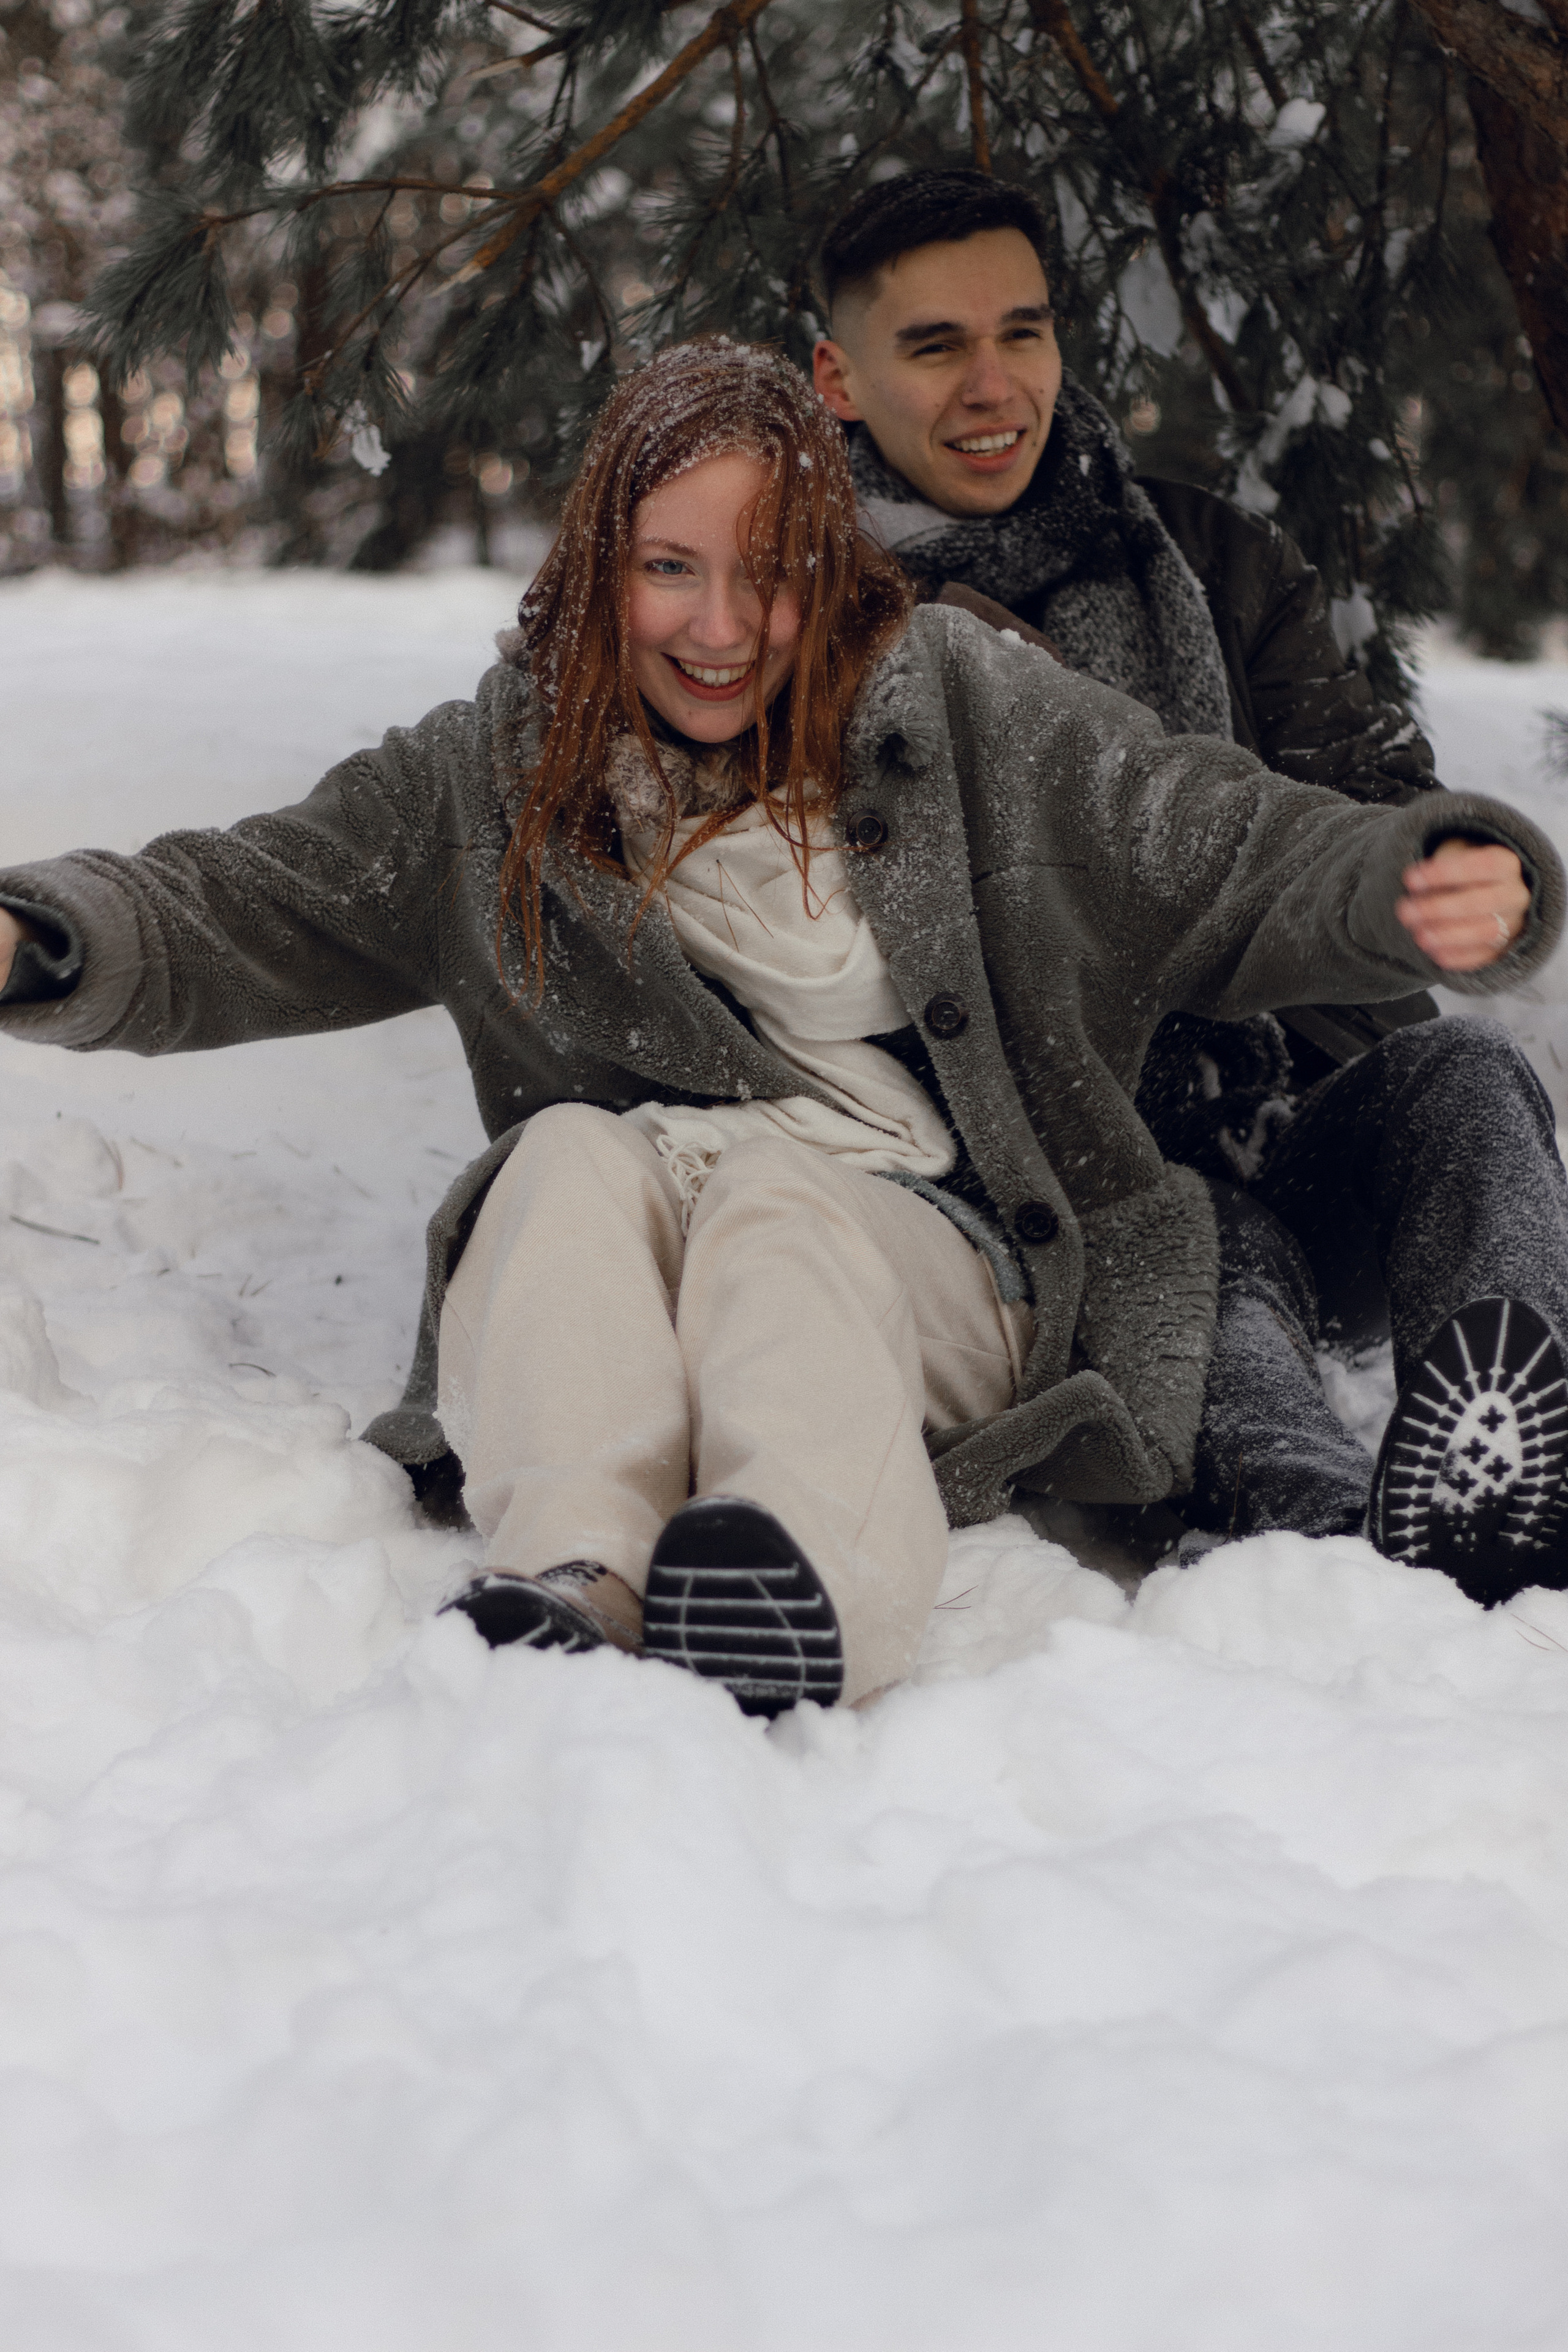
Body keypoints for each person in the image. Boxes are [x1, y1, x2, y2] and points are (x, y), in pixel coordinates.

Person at [1, 340, 1562, 1721]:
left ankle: (802, 1571)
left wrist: (1402, 875)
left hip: (938, 1255)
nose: (721, 624)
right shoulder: (494, 774)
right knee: (551, 1162)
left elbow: (1211, 840)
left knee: (772, 1210)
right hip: (645, 1225)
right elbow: (251, 897)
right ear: (597, 566)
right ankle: (571, 1569)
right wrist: (43, 937)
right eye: (670, 567)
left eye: (772, 568)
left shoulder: (961, 712)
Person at [810, 170, 1446, 1276]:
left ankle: (1515, 1437)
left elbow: (1381, 836)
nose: (993, 387)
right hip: (1018, 1186)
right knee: (1227, 1306)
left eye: (1023, 332)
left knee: (1475, 1086)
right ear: (840, 379)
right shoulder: (784, 625)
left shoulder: (1214, 564)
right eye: (936, 347)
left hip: (1280, 1113)